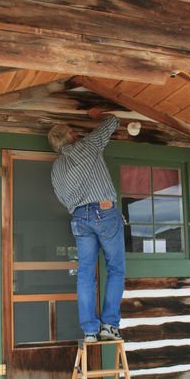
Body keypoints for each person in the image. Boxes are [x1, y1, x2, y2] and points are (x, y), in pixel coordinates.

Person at [48, 111, 125, 343]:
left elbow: (61, 197)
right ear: (71, 134)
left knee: (85, 275)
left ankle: (90, 331)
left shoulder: (56, 169)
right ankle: (109, 325)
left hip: (79, 218)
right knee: (116, 269)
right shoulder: (88, 145)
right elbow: (113, 122)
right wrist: (99, 114)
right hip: (105, 212)